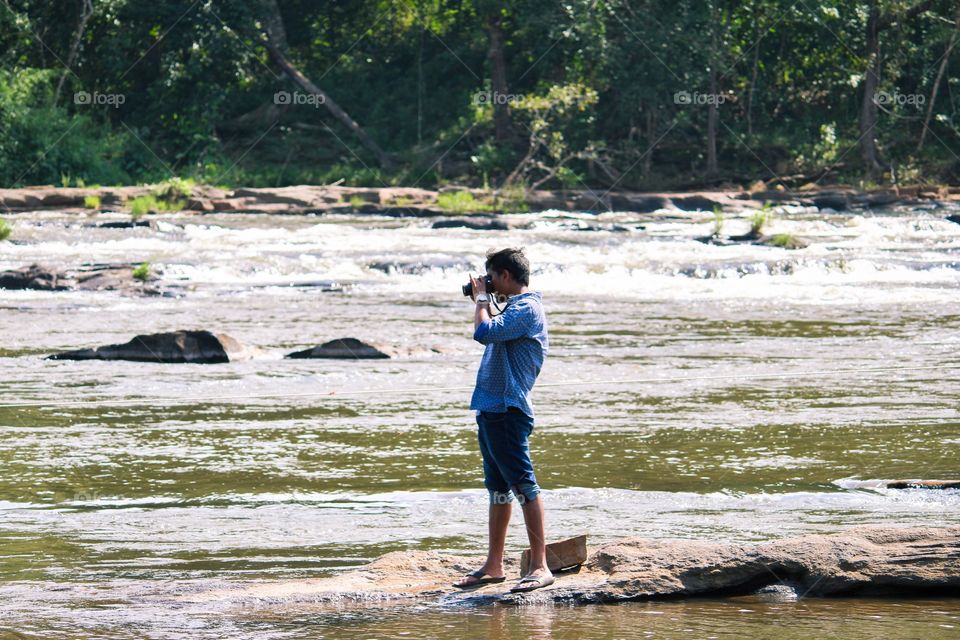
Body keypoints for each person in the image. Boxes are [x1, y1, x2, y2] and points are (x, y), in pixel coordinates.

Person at [453, 247, 553, 593]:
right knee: (497, 490)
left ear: (506, 275)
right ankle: (494, 565)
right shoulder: (513, 309)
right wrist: (486, 301)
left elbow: (483, 333)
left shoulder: (527, 308)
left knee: (524, 486)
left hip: (509, 410)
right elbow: (493, 329)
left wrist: (481, 298)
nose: (489, 282)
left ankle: (540, 566)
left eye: (492, 276)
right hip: (492, 409)